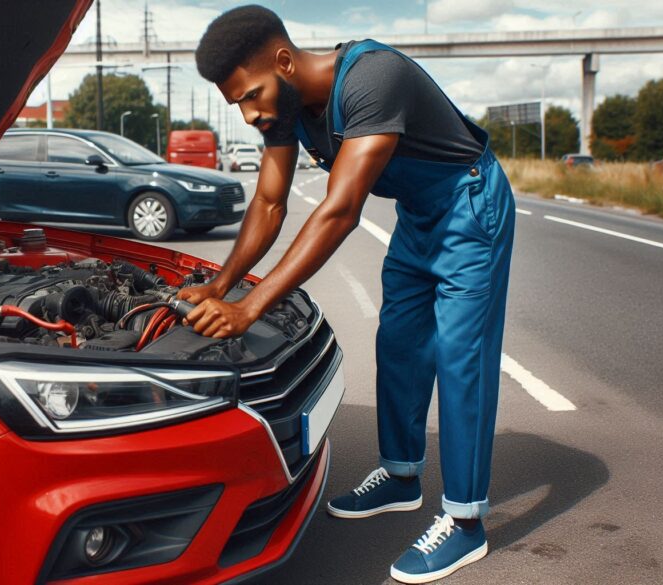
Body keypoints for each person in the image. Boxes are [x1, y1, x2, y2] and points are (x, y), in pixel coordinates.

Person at [180, 5, 516, 583]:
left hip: (469, 205)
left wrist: (250, 306)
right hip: (418, 216)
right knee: (401, 344)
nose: (249, 112)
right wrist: (221, 282)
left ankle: (464, 523)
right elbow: (268, 203)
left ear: (284, 61)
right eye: (237, 103)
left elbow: (340, 211)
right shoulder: (284, 111)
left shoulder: (372, 78)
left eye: (252, 94)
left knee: (462, 358)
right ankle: (402, 476)